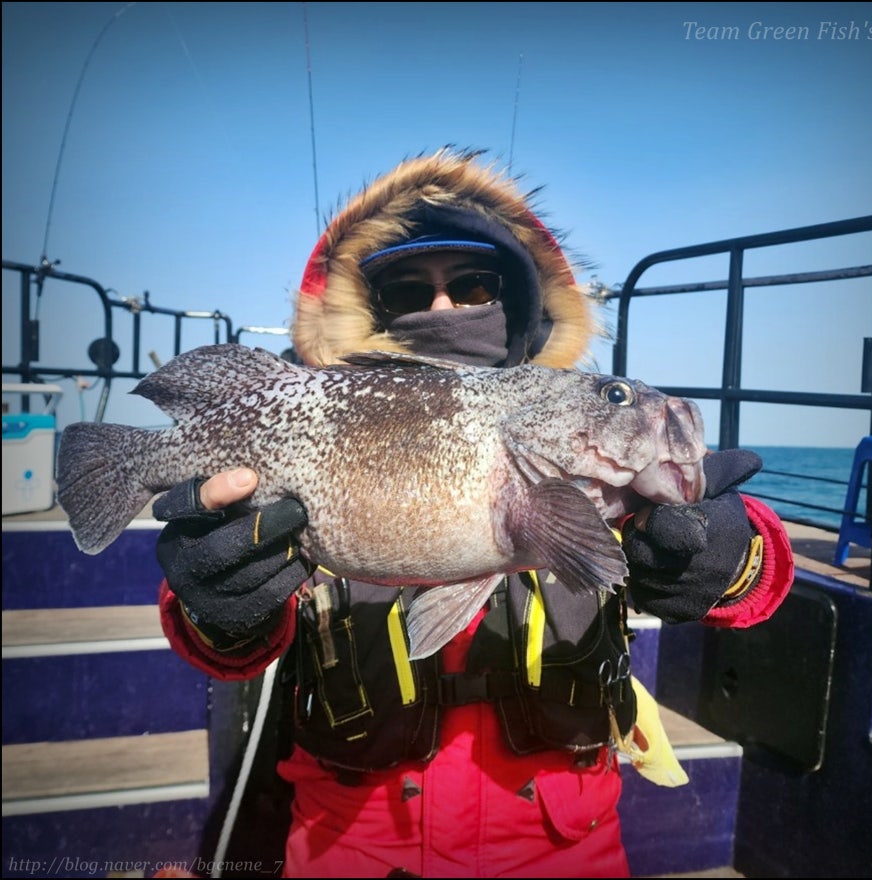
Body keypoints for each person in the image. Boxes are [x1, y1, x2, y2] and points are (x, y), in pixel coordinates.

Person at [155, 147, 794, 879]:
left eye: (473, 285)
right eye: (405, 289)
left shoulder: (569, 423)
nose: (442, 309)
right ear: (372, 308)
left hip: (561, 845)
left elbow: (762, 572)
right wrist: (218, 605)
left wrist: (731, 554)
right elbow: (212, 635)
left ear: (516, 300)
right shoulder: (308, 412)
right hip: (349, 838)